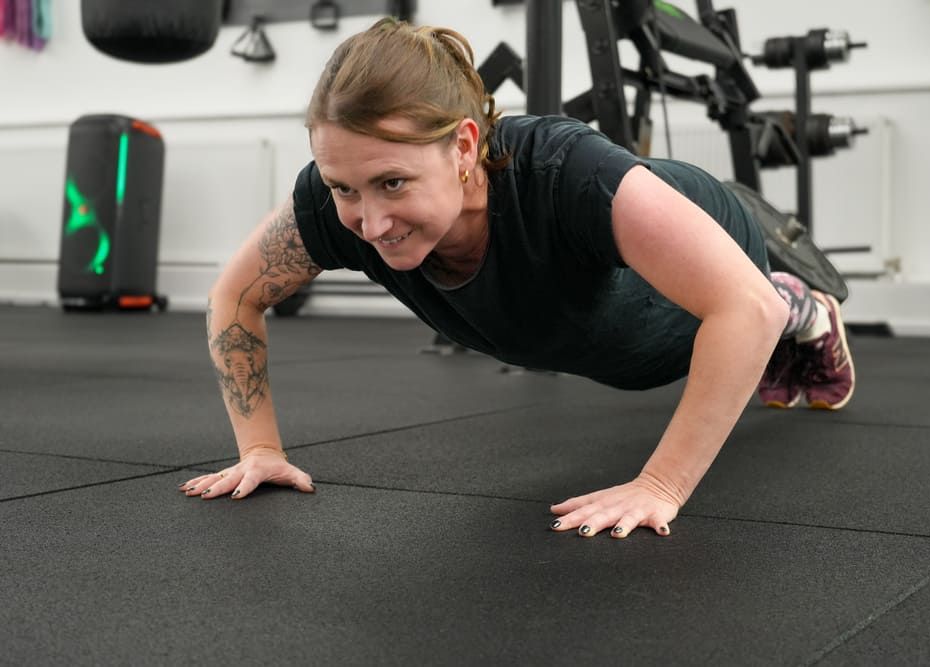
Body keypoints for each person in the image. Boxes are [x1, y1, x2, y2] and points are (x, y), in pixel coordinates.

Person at [180, 18, 856, 540]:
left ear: (464, 147)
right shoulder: (335, 205)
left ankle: (805, 303)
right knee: (629, 351)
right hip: (598, 332)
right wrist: (259, 448)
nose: (371, 222)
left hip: (685, 258)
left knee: (755, 308)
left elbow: (745, 310)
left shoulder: (567, 175)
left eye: (393, 183)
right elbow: (234, 296)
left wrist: (660, 485)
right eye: (343, 188)